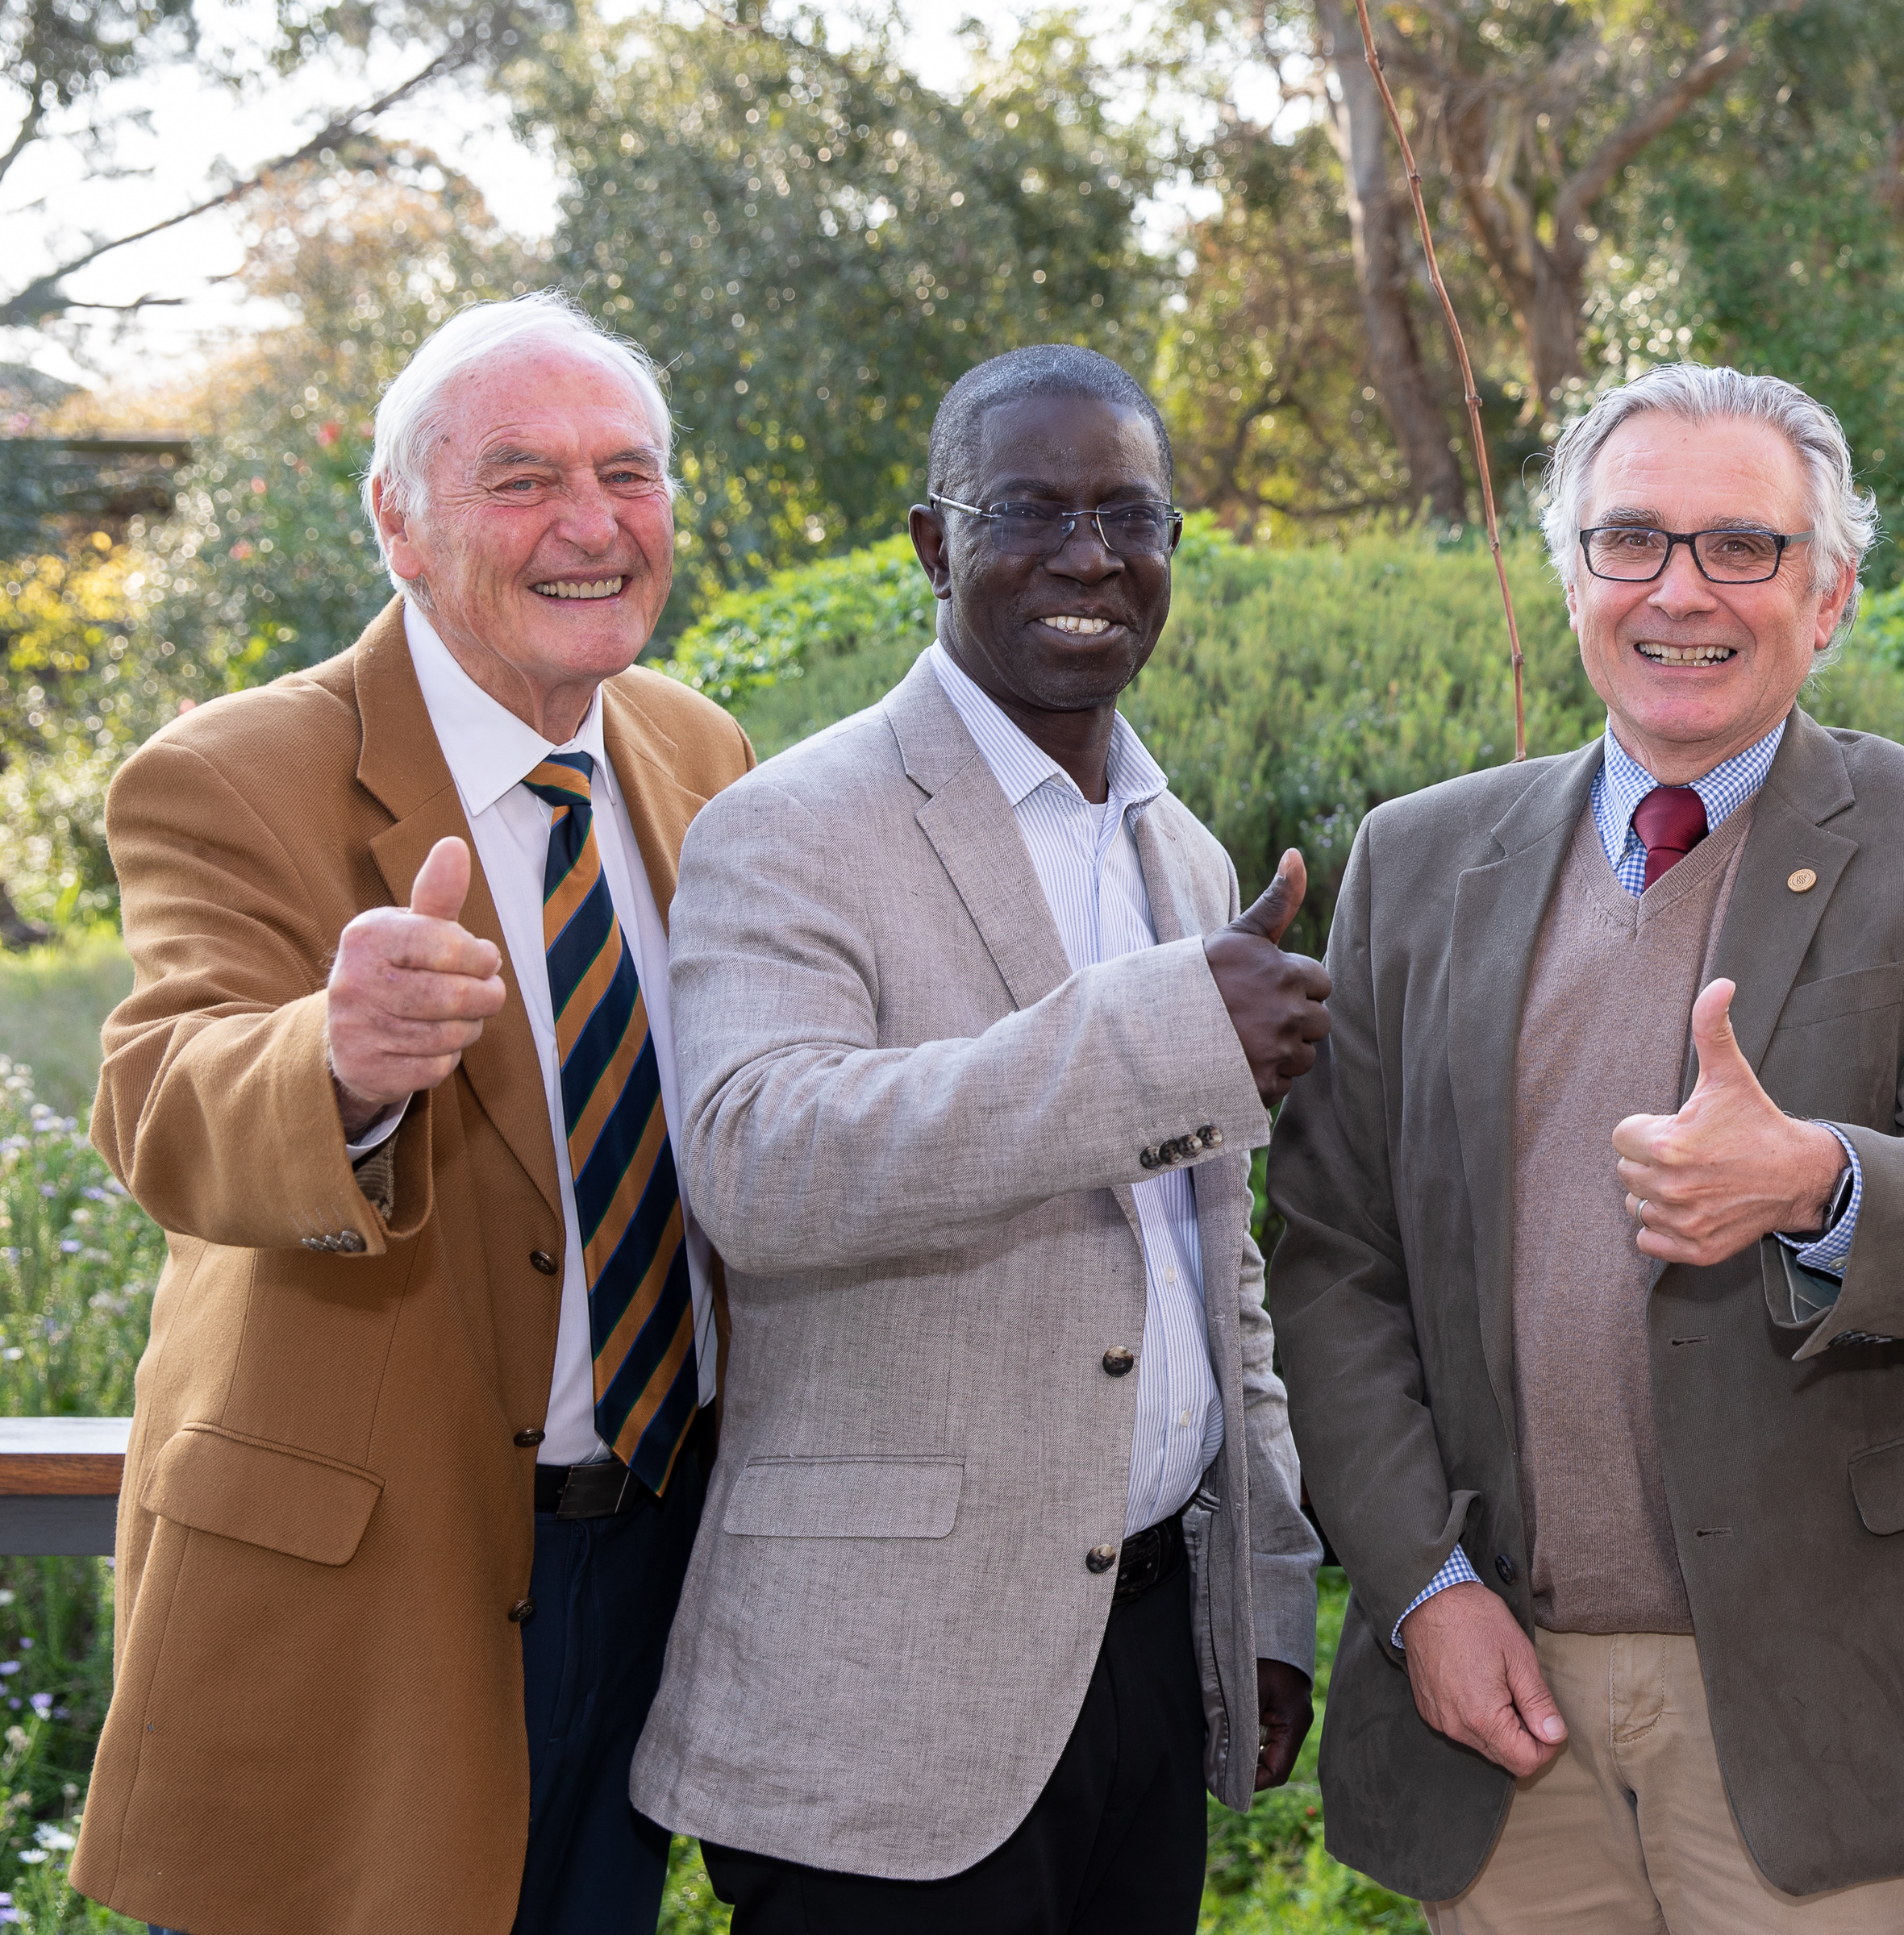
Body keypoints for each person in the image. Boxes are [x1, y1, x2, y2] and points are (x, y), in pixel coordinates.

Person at [1266, 362, 1904, 1933]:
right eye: (1631, 542)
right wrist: (1421, 1592)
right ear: (1570, 573)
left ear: (1832, 594)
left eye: (1743, 547)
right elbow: (1332, 1269)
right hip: (1502, 1690)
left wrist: (1819, 1184)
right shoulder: (1417, 858)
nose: (1680, 593)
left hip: (1816, 1693)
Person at [73, 292, 756, 1933]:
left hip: (654, 1559)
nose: (591, 525)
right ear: (397, 518)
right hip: (372, 1605)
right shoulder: (231, 773)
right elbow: (159, 1093)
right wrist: (333, 1061)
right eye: (520, 477)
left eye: (628, 473)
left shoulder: (699, 750)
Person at [631, 343, 1326, 1932]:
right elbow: (759, 1163)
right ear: (936, 544)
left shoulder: (1184, 856)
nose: (1089, 557)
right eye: (1031, 511)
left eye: (1130, 518)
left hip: (1145, 1667)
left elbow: (1217, 1281)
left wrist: (1261, 1595)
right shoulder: (788, 828)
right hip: (889, 1705)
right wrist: (1157, 1037)